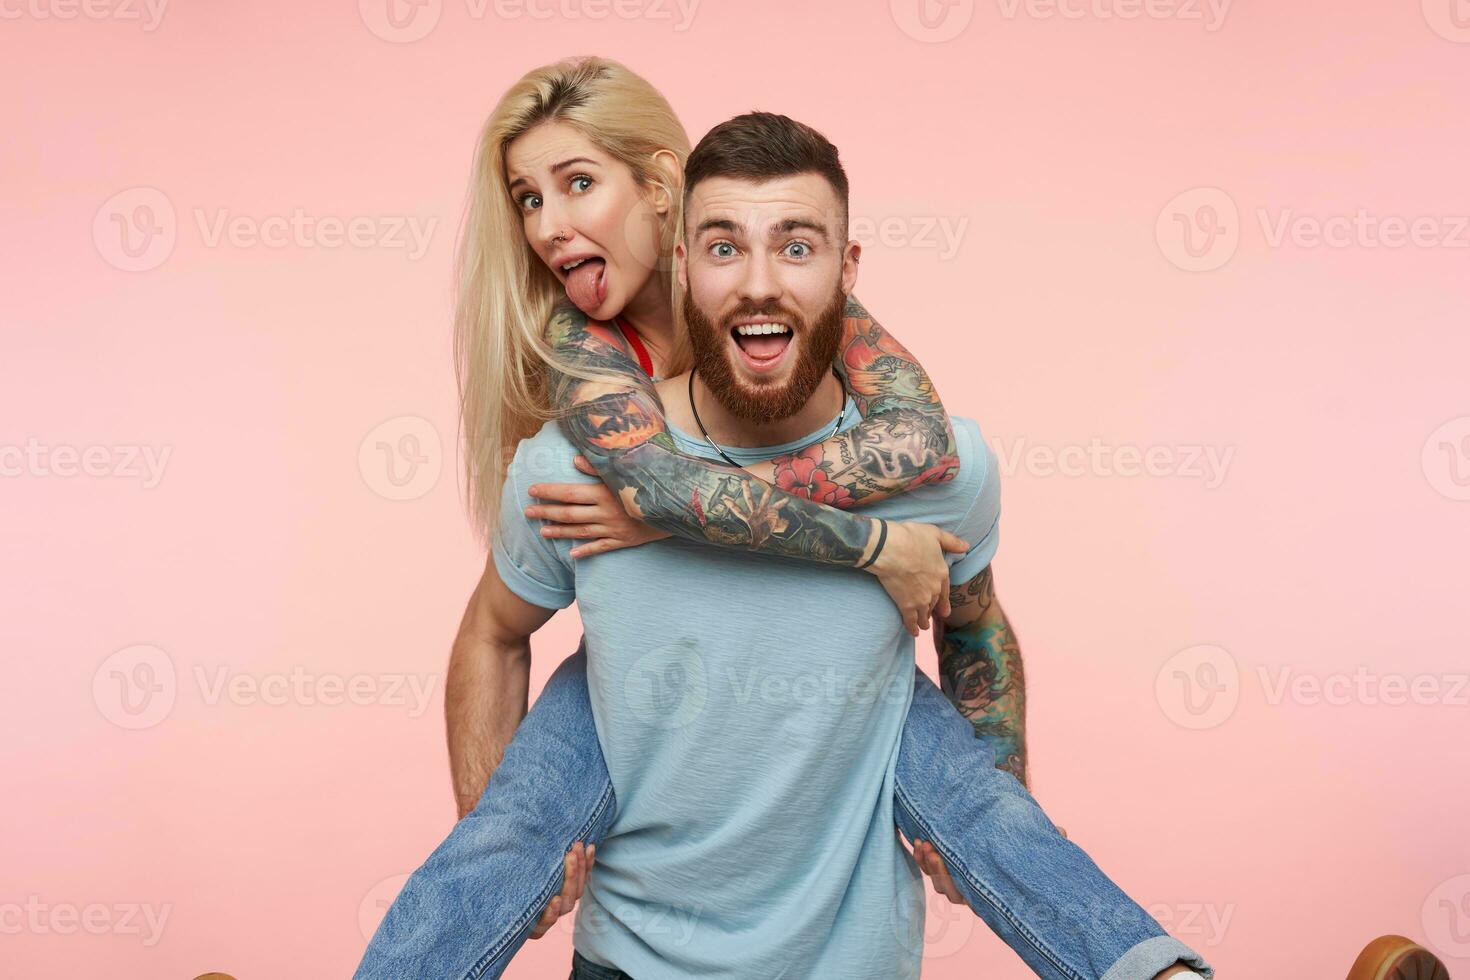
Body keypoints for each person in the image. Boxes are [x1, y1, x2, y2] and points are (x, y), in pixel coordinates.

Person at [355, 72, 1214, 979]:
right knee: (518, 818)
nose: (547, 225)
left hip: (855, 896)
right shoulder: (582, 408)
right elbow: (629, 507)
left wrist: (696, 505)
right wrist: (836, 538)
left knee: (979, 800)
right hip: (632, 855)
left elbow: (928, 473)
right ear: (690, 258)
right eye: (528, 199)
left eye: (576, 183)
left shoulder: (909, 428)